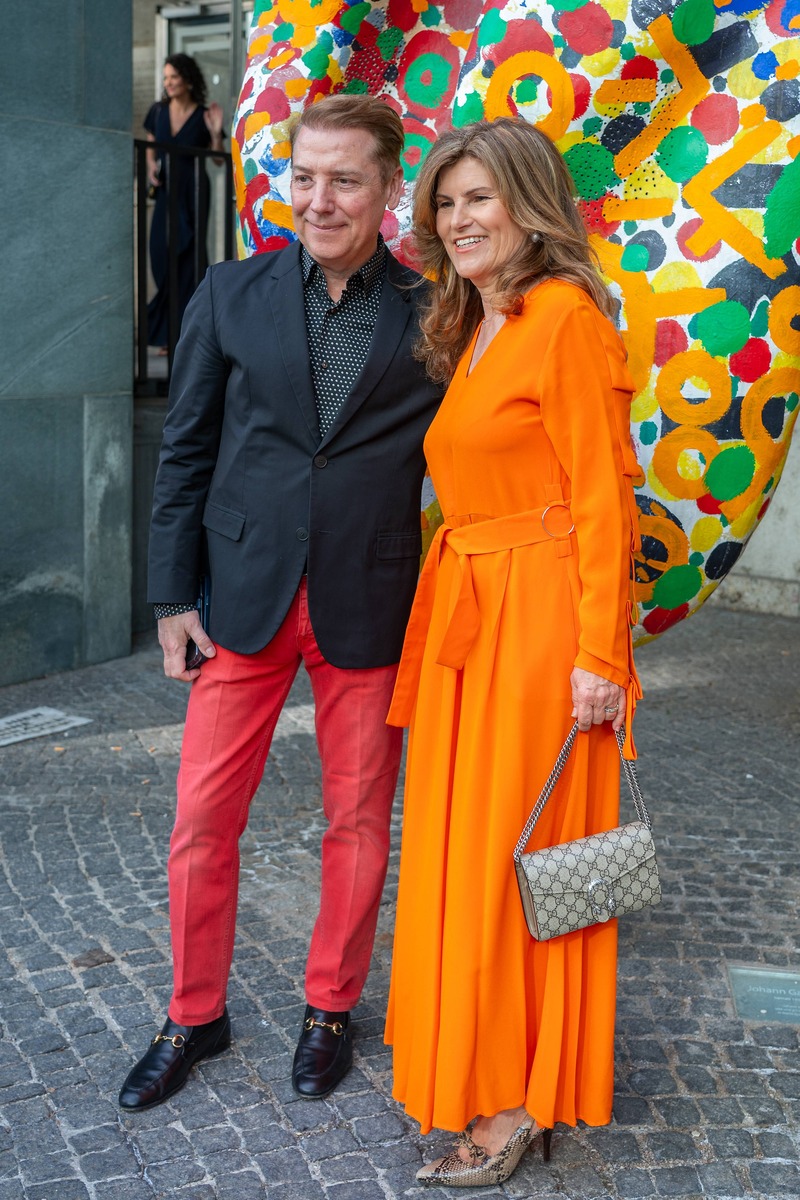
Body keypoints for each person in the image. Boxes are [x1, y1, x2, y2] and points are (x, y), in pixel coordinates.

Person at [118, 94, 442, 1112]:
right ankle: (192, 1015)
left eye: (344, 179)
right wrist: (171, 597)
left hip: (369, 595)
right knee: (201, 820)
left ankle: (330, 1008)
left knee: (359, 821)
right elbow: (185, 452)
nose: (319, 199)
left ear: (388, 189)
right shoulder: (229, 291)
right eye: (304, 176)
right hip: (240, 596)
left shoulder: (437, 310)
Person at [384, 118, 643, 1187]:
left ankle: (521, 1097)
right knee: (470, 856)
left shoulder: (566, 317)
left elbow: (604, 500)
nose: (459, 219)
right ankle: (482, 1064)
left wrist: (599, 657)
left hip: (539, 628)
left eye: (479, 198)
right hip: (472, 619)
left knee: (517, 862)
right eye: (445, 204)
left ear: (529, 206)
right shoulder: (483, 321)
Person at [144, 54, 225, 351]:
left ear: (188, 80)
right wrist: (150, 166)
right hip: (167, 191)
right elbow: (150, 144)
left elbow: (218, 160)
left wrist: (215, 133)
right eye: (166, 78)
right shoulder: (157, 111)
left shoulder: (203, 115)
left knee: (190, 258)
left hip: (193, 192)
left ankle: (183, 334)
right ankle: (168, 327)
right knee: (160, 255)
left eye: (174, 77)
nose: (168, 83)